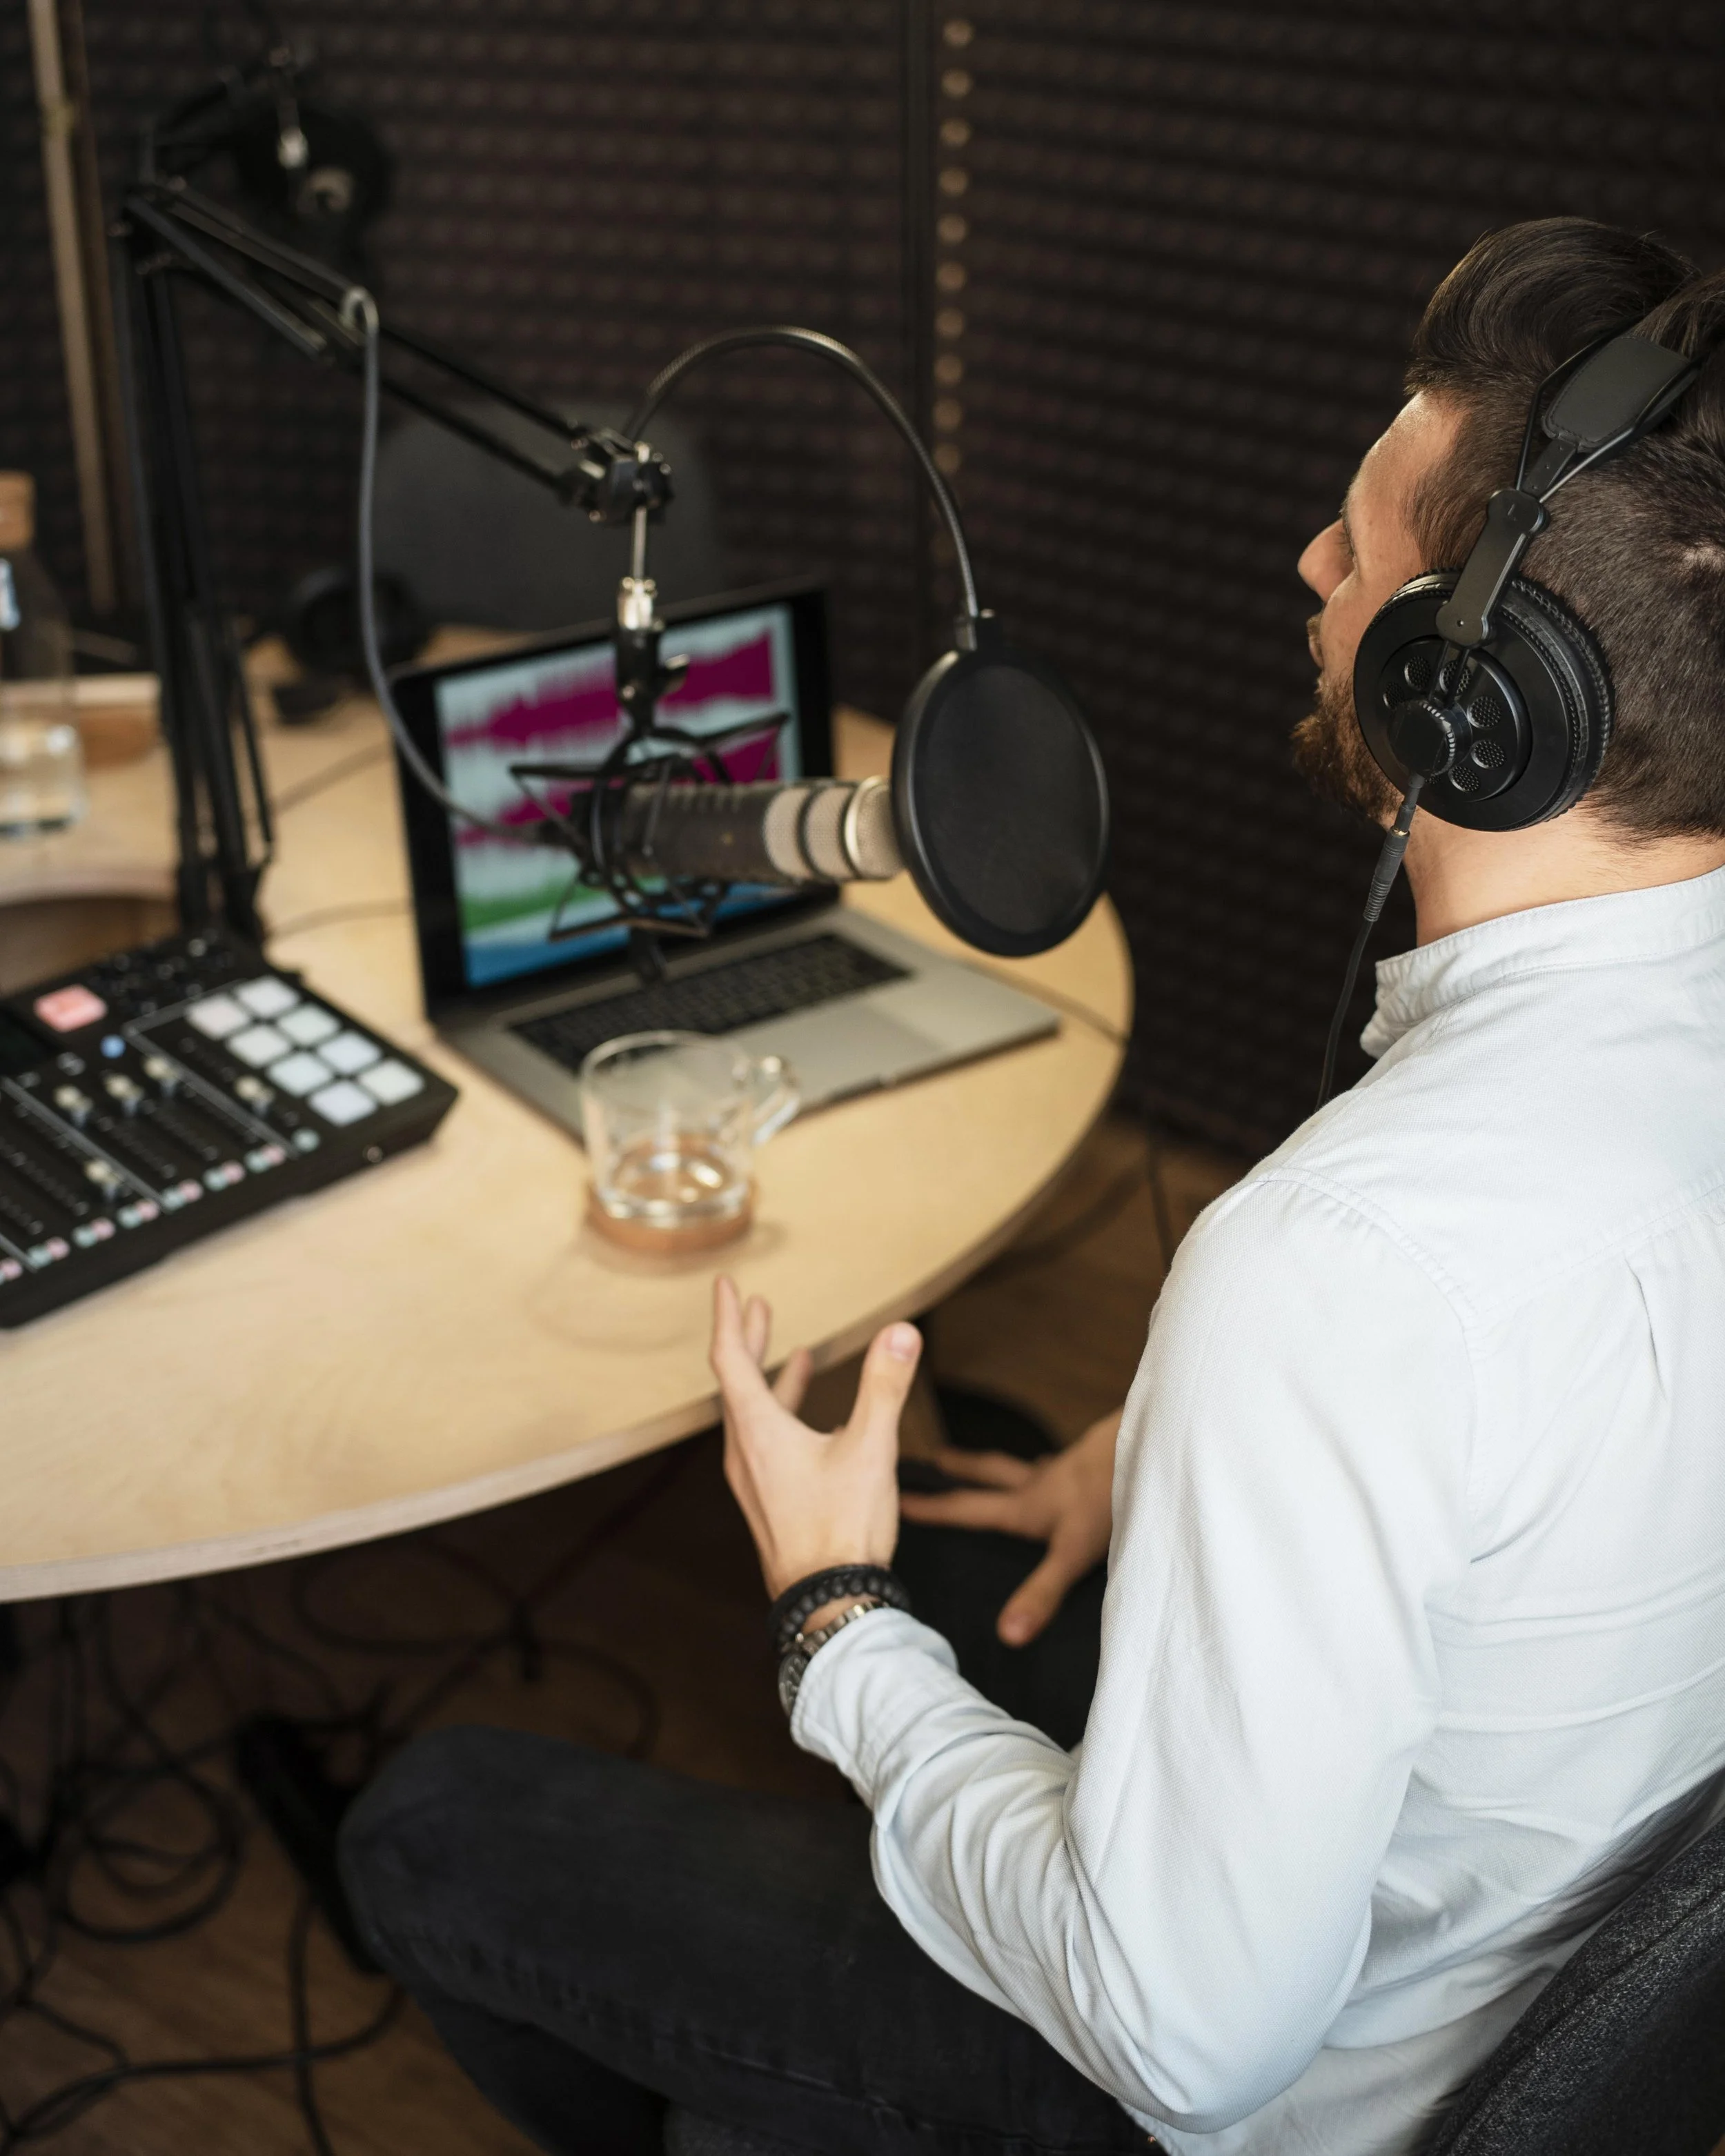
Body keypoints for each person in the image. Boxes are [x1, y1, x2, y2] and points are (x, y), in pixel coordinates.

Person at [339, 216, 1725, 2156]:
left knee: (433, 1827)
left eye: (1356, 553)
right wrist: (1165, 1455)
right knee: (986, 1484)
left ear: (1461, 698)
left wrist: (831, 1619)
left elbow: (1184, 2038)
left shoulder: (1343, 1263)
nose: (1308, 568)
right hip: (1520, 1939)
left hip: (1241, 2093)